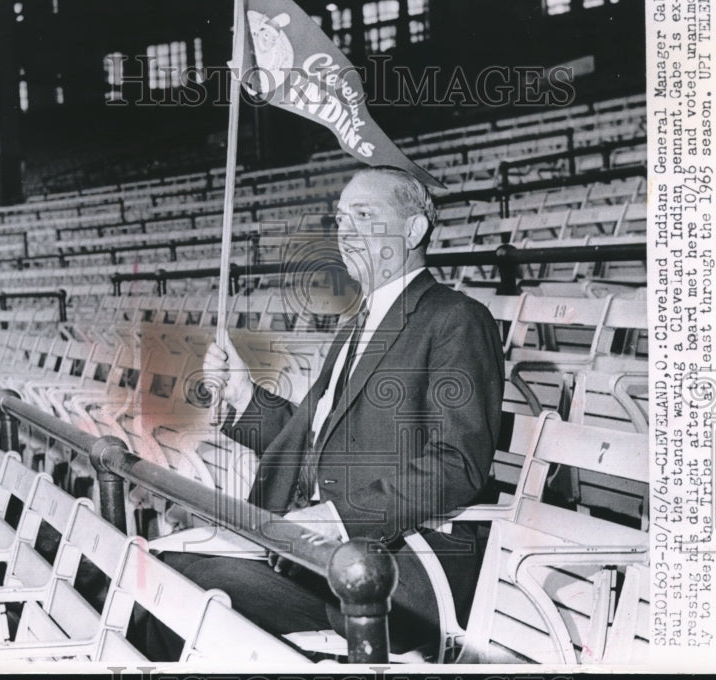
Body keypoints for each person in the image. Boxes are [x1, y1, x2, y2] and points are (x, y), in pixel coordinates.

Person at [148, 167, 504, 658]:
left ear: (414, 229)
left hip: (389, 567)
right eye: (340, 219)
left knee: (188, 583)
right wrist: (244, 396)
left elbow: (456, 464)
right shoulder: (358, 326)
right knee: (159, 562)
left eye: (364, 215)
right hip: (315, 556)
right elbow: (313, 441)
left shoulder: (456, 318)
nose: (345, 231)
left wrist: (339, 520)